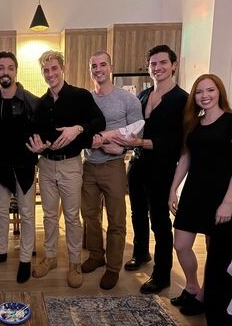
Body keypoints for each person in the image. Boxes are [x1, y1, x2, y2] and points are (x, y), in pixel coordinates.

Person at [27, 50, 106, 288]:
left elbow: (99, 122)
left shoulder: (80, 96)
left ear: (62, 68)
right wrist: (38, 145)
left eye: (54, 68)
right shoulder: (41, 103)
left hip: (71, 164)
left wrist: (78, 129)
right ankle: (50, 258)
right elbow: (36, 132)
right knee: (49, 215)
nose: (50, 73)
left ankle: (74, 263)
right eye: (46, 70)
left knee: (72, 216)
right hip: (45, 165)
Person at [115, 45, 188, 294]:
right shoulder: (144, 95)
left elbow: (177, 142)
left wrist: (141, 142)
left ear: (173, 65)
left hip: (162, 167)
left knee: (160, 220)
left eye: (163, 63)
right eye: (153, 64)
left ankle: (162, 274)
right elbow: (135, 127)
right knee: (136, 213)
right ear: (148, 68)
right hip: (137, 163)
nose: (158, 68)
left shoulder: (182, 99)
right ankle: (141, 253)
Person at [168, 74, 232, 316]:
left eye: (210, 90)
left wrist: (228, 202)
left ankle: (205, 295)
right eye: (199, 92)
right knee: (181, 244)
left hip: (221, 195)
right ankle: (192, 286)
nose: (205, 96)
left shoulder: (230, 121)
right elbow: (185, 157)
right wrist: (173, 190)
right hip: (194, 192)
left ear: (219, 92)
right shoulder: (193, 123)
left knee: (215, 252)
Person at [81, 51, 143, 290]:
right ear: (90, 70)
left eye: (102, 64)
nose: (98, 69)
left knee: (116, 219)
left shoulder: (128, 100)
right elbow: (81, 131)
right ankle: (96, 255)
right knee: (90, 216)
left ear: (110, 66)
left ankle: (113, 267)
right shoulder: (86, 99)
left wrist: (121, 148)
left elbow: (138, 133)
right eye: (94, 66)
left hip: (114, 166)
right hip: (89, 165)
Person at [0, 51, 40, 284]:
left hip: (24, 168)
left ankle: (25, 259)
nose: (5, 72)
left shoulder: (32, 101)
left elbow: (41, 133)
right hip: (0, 167)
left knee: (27, 215)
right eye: (1, 68)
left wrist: (40, 146)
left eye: (10, 68)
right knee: (0, 212)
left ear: (16, 71)